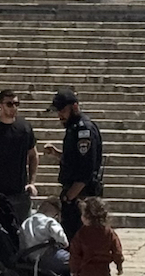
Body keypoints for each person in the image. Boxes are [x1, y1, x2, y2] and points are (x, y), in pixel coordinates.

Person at [43, 88, 104, 240]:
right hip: (75, 195)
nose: (60, 115)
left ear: (74, 107)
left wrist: (70, 197)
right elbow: (74, 159)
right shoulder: (73, 128)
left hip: (81, 197)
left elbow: (85, 170)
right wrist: (57, 153)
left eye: (62, 110)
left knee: (81, 240)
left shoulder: (84, 130)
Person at [0, 89, 39, 228]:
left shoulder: (25, 128)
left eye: (16, 103)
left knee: (23, 234)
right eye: (9, 104)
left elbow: (33, 155)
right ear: (0, 105)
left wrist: (32, 182)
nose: (14, 107)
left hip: (20, 194)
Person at [20, 197, 71, 276]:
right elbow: (61, 237)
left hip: (31, 260)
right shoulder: (49, 221)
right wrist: (64, 243)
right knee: (78, 262)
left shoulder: (26, 222)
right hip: (48, 257)